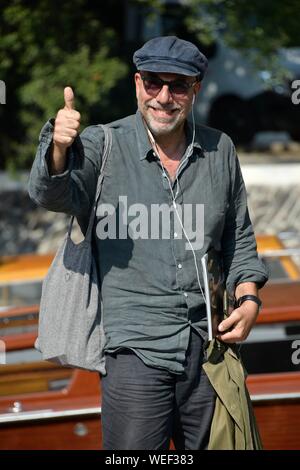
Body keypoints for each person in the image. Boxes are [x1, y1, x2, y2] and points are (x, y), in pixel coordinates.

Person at [28, 36, 268, 450]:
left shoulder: (221, 149)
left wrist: (249, 302)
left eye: (178, 86)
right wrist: (59, 149)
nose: (164, 97)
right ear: (138, 84)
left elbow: (239, 241)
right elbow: (51, 194)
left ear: (195, 89)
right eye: (154, 83)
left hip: (208, 351)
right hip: (134, 355)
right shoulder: (103, 144)